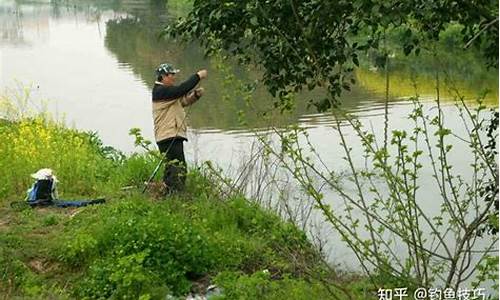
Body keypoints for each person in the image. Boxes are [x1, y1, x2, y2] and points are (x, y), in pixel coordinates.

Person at [152, 63, 207, 194]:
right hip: (168, 136)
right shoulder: (161, 91)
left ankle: (168, 194)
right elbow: (182, 89)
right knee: (179, 168)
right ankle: (177, 195)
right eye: (171, 75)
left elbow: (181, 103)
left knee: (172, 168)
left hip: (170, 135)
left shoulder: (166, 93)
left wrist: (195, 96)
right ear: (163, 77)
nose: (174, 77)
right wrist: (198, 76)